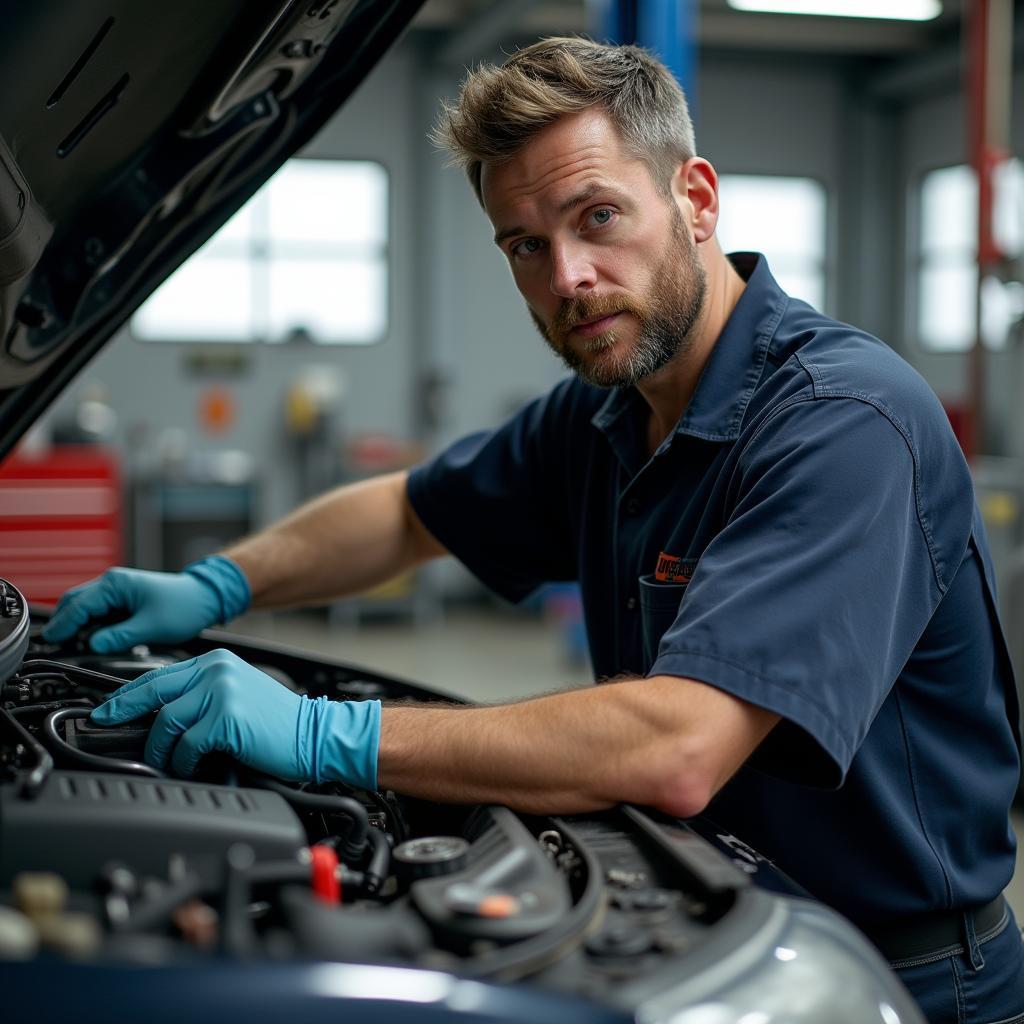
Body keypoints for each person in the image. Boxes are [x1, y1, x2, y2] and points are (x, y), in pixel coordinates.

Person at [43, 37, 1023, 1022]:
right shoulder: (608, 410)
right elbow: (406, 512)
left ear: (694, 198)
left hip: (898, 976)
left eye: (597, 217)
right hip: (713, 920)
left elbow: (677, 747)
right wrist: (216, 584)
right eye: (524, 244)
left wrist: (322, 732)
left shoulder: (841, 421)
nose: (568, 277)